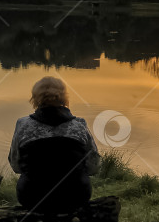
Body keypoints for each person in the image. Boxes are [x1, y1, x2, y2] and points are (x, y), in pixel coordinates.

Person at [8, 76, 100, 212]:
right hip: (76, 197)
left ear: (35, 98)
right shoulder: (79, 126)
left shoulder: (23, 125)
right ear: (64, 98)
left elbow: (16, 166)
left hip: (32, 198)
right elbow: (94, 167)